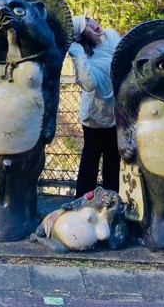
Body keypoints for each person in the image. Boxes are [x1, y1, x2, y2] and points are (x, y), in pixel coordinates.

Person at [67, 14, 122, 197]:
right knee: (90, 163)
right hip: (94, 116)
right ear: (82, 36)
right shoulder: (83, 54)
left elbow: (125, 64)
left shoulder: (112, 35)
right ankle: (81, 204)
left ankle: (111, 204)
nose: (93, 25)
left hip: (116, 114)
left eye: (90, 20)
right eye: (86, 27)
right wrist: (76, 53)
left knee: (113, 162)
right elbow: (89, 84)